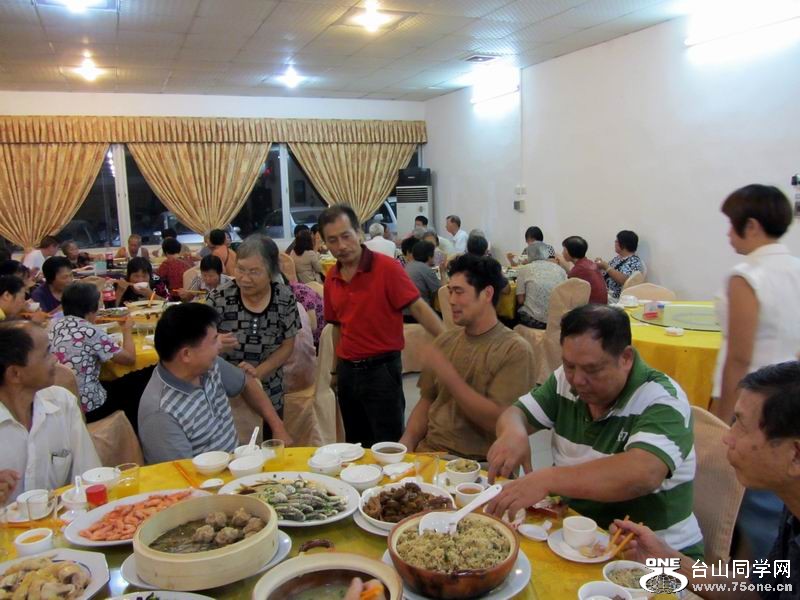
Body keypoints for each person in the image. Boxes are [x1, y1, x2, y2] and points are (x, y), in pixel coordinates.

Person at [486, 304, 704, 559]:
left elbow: (643, 473)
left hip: (652, 558)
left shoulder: (662, 399)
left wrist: (548, 479)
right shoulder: (565, 380)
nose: (578, 380)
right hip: (578, 542)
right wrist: (514, 433)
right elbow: (516, 413)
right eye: (569, 365)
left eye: (592, 369)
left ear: (626, 358)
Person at [611, 361, 800, 599]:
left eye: (741, 426)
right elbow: (759, 590)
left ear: (796, 455)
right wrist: (670, 562)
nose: (727, 438)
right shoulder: (792, 508)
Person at [712, 184, 800, 560]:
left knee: (750, 504)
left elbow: (739, 357)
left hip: (755, 404)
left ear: (751, 225)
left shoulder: (747, 276)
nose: (728, 234)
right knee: (779, 504)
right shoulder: (796, 268)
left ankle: (761, 574)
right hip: (791, 399)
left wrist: (723, 421)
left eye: (731, 225)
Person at [320, 204, 444, 445]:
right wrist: (335, 370)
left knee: (388, 443)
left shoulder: (387, 268)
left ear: (359, 233)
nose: (341, 246)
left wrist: (450, 342)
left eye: (346, 236)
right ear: (325, 243)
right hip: (347, 372)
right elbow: (337, 327)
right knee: (355, 443)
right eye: (332, 240)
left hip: (382, 370)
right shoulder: (332, 278)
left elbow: (418, 307)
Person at [400, 254, 536, 460]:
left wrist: (448, 375)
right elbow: (427, 401)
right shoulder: (446, 341)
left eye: (459, 292)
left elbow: (498, 421)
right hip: (430, 452)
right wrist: (407, 442)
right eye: (450, 291)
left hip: (477, 464)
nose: (451, 300)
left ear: (487, 294)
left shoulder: (514, 350)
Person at [138, 303, 291, 464]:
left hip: (235, 464)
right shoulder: (160, 413)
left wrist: (278, 427)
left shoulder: (210, 366)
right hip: (204, 477)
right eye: (214, 340)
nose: (220, 345)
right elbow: (180, 474)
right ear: (186, 354)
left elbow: (247, 382)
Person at [0, 321, 101, 504]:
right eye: (47, 353)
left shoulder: (62, 403)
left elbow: (90, 477)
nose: (55, 359)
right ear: (15, 374)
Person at [208, 235, 300, 434]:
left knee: (270, 444)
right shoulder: (219, 298)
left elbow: (288, 345)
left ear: (271, 272)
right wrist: (215, 343)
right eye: (240, 269)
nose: (244, 278)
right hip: (226, 395)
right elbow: (198, 343)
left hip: (270, 389)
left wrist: (258, 372)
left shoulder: (284, 298)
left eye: (254, 272)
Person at [50, 282, 137, 421]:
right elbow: (129, 359)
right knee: (133, 385)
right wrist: (127, 330)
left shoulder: (54, 325)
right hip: (86, 405)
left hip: (57, 402)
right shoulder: (91, 332)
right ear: (92, 309)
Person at [516, 242, 567, 329]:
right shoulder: (560, 269)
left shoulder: (524, 269)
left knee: (517, 310)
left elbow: (520, 300)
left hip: (534, 321)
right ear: (547, 254)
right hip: (558, 321)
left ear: (529, 255)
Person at [595, 230, 646, 300]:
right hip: (605, 292)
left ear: (623, 244)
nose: (615, 243)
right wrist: (601, 265)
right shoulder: (618, 258)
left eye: (616, 241)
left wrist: (606, 267)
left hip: (615, 298)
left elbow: (624, 280)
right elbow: (608, 273)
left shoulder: (634, 261)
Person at [558, 236, 607, 304]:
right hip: (602, 305)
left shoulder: (579, 269)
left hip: (593, 307)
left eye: (564, 250)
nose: (562, 253)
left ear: (572, 251)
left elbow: (566, 289)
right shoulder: (588, 263)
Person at [404, 240, 442, 309]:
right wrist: (443, 272)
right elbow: (440, 291)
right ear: (429, 257)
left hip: (405, 309)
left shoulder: (408, 265)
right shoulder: (426, 269)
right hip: (419, 311)